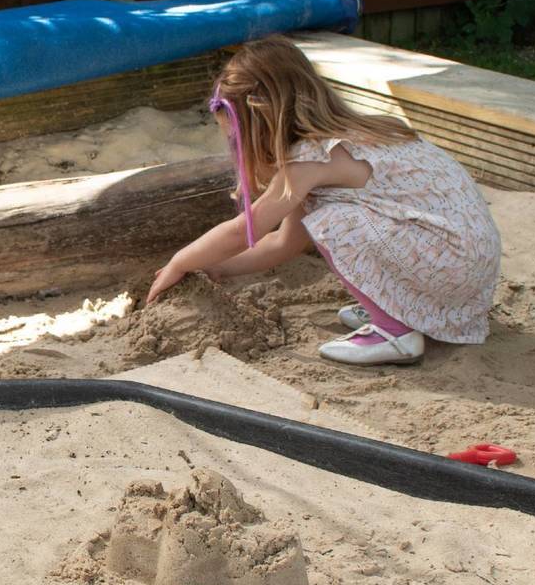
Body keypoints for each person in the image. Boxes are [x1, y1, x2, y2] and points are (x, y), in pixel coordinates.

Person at [146, 36, 502, 366]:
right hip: (464, 262)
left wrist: (180, 262)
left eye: (238, 137)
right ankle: (396, 307)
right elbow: (285, 243)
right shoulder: (347, 136)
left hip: (452, 263)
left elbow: (245, 230)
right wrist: (219, 267)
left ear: (264, 118)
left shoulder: (311, 159)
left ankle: (396, 333)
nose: (238, 148)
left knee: (333, 222)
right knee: (328, 218)